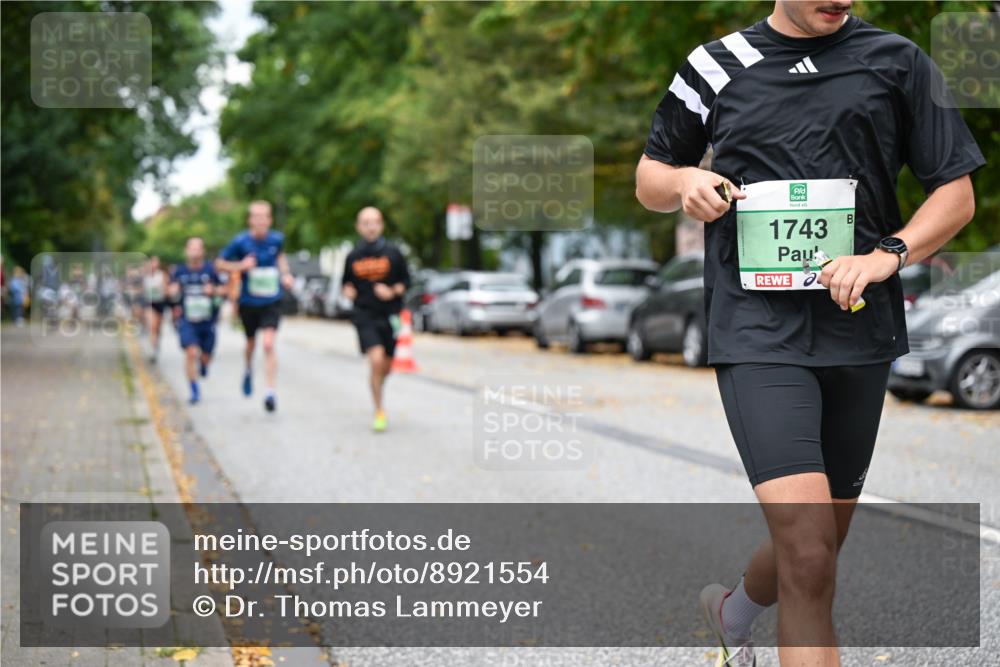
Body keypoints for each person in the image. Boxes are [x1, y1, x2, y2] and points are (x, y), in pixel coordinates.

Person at [634, 2, 984, 665]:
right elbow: (650, 177)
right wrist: (685, 180)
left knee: (821, 540)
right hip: (757, 329)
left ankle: (733, 610)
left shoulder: (899, 62)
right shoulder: (715, 65)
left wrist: (888, 254)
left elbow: (956, 193)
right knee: (809, 551)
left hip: (859, 328)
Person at [216, 200, 294, 412]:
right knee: (251, 343)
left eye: (264, 216)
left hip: (271, 300)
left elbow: (280, 258)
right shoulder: (240, 241)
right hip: (249, 303)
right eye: (256, 216)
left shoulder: (277, 239)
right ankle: (249, 368)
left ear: (269, 219)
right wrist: (240, 266)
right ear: (250, 220)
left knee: (268, 344)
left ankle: (270, 392)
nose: (260, 220)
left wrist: (286, 275)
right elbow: (219, 264)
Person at [341, 206, 410, 432]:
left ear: (380, 225)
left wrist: (392, 292)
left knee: (386, 367)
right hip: (364, 315)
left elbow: (405, 284)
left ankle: (377, 385)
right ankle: (379, 409)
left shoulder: (394, 253)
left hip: (390, 315)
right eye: (365, 222)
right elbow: (346, 284)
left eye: (375, 222)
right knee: (376, 360)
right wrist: (348, 291)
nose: (371, 226)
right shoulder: (353, 256)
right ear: (358, 227)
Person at [169, 237, 220, 405]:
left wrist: (213, 290)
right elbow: (169, 291)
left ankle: (204, 365)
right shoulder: (179, 271)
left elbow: (225, 289)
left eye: (198, 248)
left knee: (205, 356)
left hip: (208, 321)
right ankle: (194, 389)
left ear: (202, 251)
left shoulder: (211, 270)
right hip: (187, 320)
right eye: (192, 248)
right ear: (186, 251)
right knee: (191, 353)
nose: (195, 252)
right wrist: (173, 291)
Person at [144, 256, 169, 363]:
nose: (154, 265)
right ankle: (152, 351)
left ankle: (156, 343)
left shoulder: (162, 275)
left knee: (157, 328)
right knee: (152, 326)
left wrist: (162, 289)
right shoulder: (145, 275)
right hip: (149, 303)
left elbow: (167, 290)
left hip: (160, 303)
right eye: (152, 263)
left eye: (156, 263)